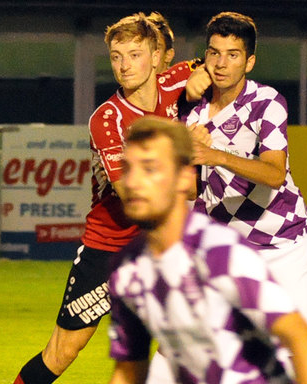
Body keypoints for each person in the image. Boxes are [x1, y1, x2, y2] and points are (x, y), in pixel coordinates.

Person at [13, 13, 195, 384]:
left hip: (160, 247)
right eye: (116, 56)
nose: (124, 66)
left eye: (134, 54)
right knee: (62, 352)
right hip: (109, 249)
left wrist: (207, 75)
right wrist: (186, 162)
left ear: (157, 56)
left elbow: (215, 65)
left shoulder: (175, 80)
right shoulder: (107, 119)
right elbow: (130, 195)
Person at [183, 12, 307, 384]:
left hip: (283, 245)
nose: (222, 63)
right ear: (205, 57)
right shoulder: (190, 115)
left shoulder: (266, 103)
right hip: (230, 255)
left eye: (233, 54)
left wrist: (215, 154)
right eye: (214, 53)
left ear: (249, 61)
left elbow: (274, 173)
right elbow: (193, 189)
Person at [107, 115, 307, 384]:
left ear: (184, 178)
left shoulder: (219, 253)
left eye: (150, 169)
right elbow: (129, 370)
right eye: (127, 168)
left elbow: (298, 337)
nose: (132, 182)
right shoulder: (128, 268)